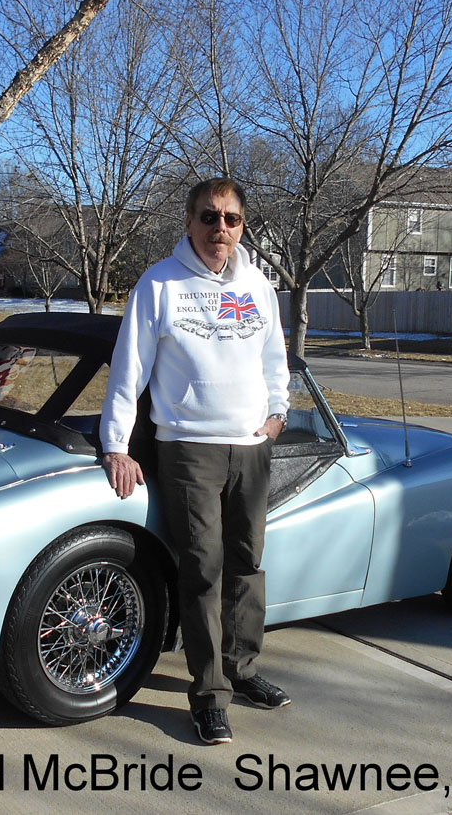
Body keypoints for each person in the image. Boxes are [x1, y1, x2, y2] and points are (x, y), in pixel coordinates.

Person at [100, 177, 291, 745]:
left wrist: (277, 413)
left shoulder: (258, 286)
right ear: (189, 222)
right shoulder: (160, 284)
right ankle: (209, 695)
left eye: (231, 219)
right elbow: (128, 369)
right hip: (188, 447)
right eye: (209, 216)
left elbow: (275, 358)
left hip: (251, 447)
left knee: (246, 563)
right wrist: (116, 444)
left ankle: (242, 669)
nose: (219, 228)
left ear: (242, 227)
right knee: (203, 569)